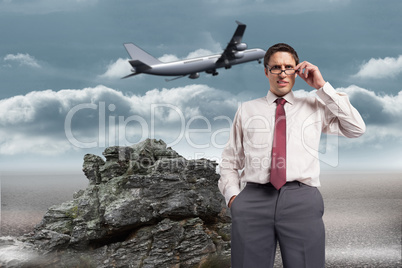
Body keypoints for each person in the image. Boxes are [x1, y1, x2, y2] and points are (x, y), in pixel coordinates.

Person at [218, 43, 366, 268]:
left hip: (302, 201)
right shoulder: (247, 110)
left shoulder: (315, 105)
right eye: (276, 67)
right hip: (253, 202)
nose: (282, 72)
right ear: (266, 71)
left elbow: (356, 129)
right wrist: (233, 197)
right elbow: (230, 159)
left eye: (288, 67)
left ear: (297, 70)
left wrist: (322, 87)